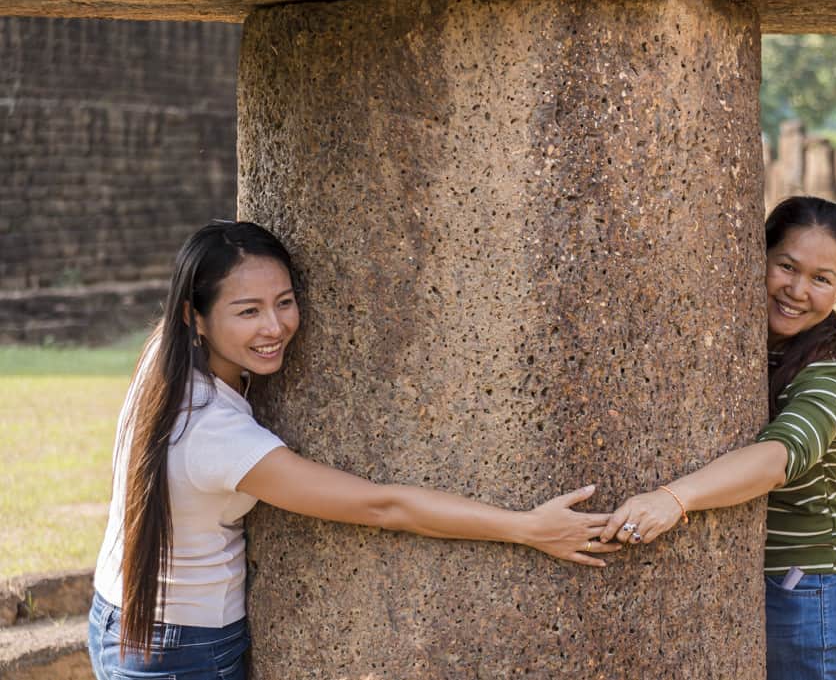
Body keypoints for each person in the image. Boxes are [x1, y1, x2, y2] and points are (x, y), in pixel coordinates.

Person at [88, 220, 620, 680]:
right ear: (194, 316)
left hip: (121, 617)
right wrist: (524, 527)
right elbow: (381, 506)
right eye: (248, 311)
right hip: (183, 650)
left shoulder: (164, 360)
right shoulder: (216, 433)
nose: (275, 327)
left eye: (285, 302)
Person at [601, 196, 836, 680]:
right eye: (786, 266)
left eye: (820, 278)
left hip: (800, 588)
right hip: (744, 578)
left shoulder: (831, 371)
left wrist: (673, 499)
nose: (796, 289)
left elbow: (778, 457)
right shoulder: (747, 343)